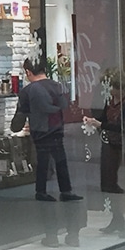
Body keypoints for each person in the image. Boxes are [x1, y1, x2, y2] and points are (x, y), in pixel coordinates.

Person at [11, 57, 82, 203]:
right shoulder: (57, 86)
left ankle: (41, 191)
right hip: (56, 129)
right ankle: (65, 190)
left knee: (42, 161)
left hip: (40, 131)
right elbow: (63, 105)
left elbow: (20, 115)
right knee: (60, 160)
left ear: (28, 72)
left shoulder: (27, 91)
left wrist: (15, 127)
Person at [83, 72, 125, 237]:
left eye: (110, 87)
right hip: (110, 145)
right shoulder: (111, 100)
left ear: (117, 87)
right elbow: (105, 119)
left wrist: (101, 124)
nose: (108, 91)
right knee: (111, 183)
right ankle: (117, 219)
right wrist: (93, 121)